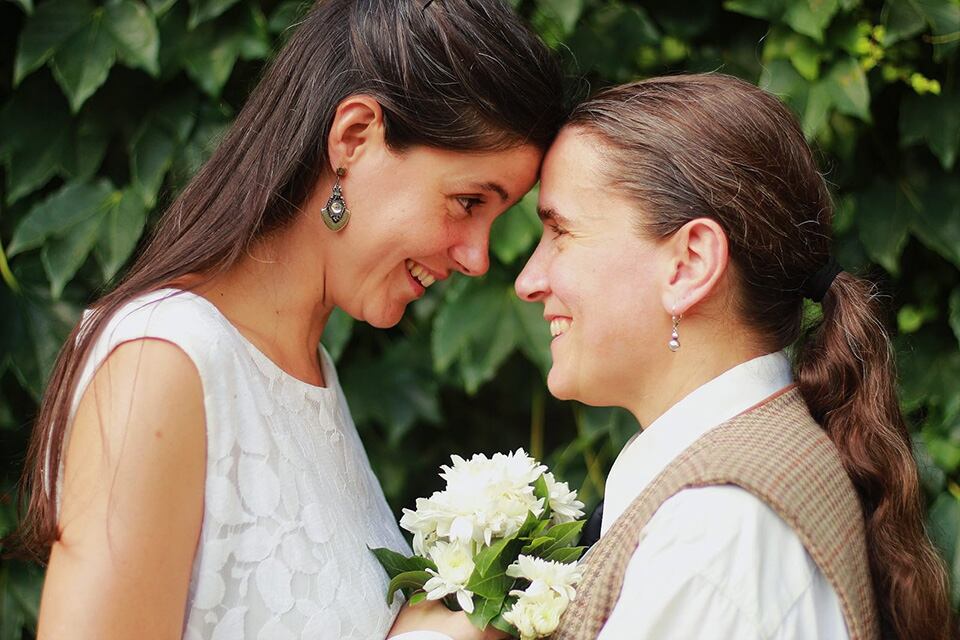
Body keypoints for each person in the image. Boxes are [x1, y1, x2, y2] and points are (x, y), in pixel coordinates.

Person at [8, 0, 565, 638]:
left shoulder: (311, 372)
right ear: (354, 137)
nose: (477, 257)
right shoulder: (164, 362)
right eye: (468, 202)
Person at [514, 74, 955, 639]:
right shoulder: (740, 482)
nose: (528, 279)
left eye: (561, 233)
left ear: (690, 264)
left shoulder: (713, 537)